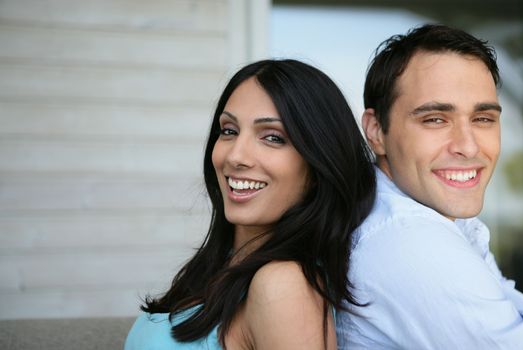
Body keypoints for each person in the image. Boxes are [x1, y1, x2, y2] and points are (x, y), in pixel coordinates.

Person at [125, 59, 376, 349]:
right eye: (229, 130)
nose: (235, 156)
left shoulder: (283, 284)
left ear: (318, 164)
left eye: (272, 137)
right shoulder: (224, 263)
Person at [336, 24, 523, 349]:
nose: (468, 147)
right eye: (435, 119)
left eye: (482, 119)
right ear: (376, 130)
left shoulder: (435, 218)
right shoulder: (410, 241)